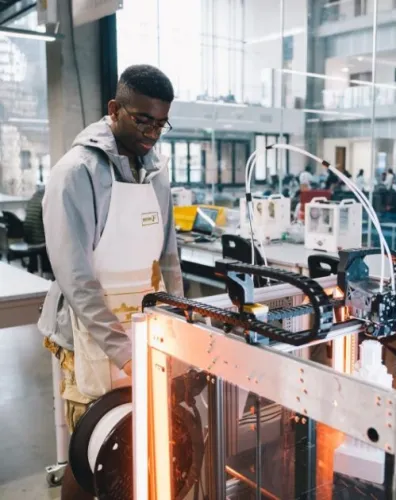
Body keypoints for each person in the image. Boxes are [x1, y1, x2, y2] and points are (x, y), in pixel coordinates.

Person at [38, 65, 184, 499]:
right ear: (114, 109)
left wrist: (179, 324)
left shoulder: (156, 172)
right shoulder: (76, 172)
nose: (153, 133)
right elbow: (77, 278)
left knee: (134, 436)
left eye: (161, 123)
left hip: (141, 325)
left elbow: (168, 257)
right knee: (91, 447)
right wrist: (123, 352)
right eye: (143, 120)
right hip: (87, 331)